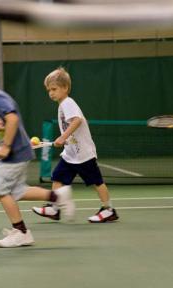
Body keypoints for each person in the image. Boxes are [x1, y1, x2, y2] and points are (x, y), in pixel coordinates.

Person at [0, 60, 75, 248]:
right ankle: (58, 197)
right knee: (17, 191)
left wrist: (6, 145)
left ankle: (21, 232)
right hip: (19, 151)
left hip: (15, 153)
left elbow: (12, 118)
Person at [32, 67, 119, 223]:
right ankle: (54, 208)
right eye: (48, 90)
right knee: (57, 177)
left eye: (54, 89)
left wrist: (62, 136)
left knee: (97, 182)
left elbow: (77, 120)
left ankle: (108, 210)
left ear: (65, 88)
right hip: (71, 153)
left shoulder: (67, 103)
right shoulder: (62, 105)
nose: (51, 93)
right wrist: (65, 140)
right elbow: (71, 128)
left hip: (83, 154)